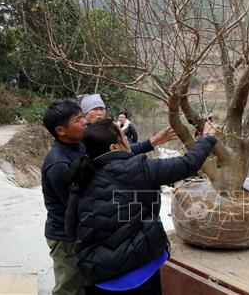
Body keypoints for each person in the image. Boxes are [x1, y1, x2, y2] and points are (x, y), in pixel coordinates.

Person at [65, 118, 217, 294]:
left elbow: (70, 229)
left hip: (98, 278)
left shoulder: (81, 179)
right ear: (114, 147)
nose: (128, 140)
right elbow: (188, 164)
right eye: (123, 136)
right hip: (141, 274)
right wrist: (207, 137)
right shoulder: (138, 168)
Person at [41, 99, 89, 295]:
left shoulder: (79, 145)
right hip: (65, 236)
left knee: (82, 281)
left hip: (78, 230)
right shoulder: (59, 163)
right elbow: (74, 205)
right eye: (79, 119)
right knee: (68, 286)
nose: (85, 122)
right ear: (61, 130)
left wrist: (151, 143)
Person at [80, 94, 176, 149]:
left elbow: (127, 148)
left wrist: (155, 140)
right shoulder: (80, 134)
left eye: (102, 109)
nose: (99, 113)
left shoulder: (114, 128)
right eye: (95, 109)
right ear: (85, 113)